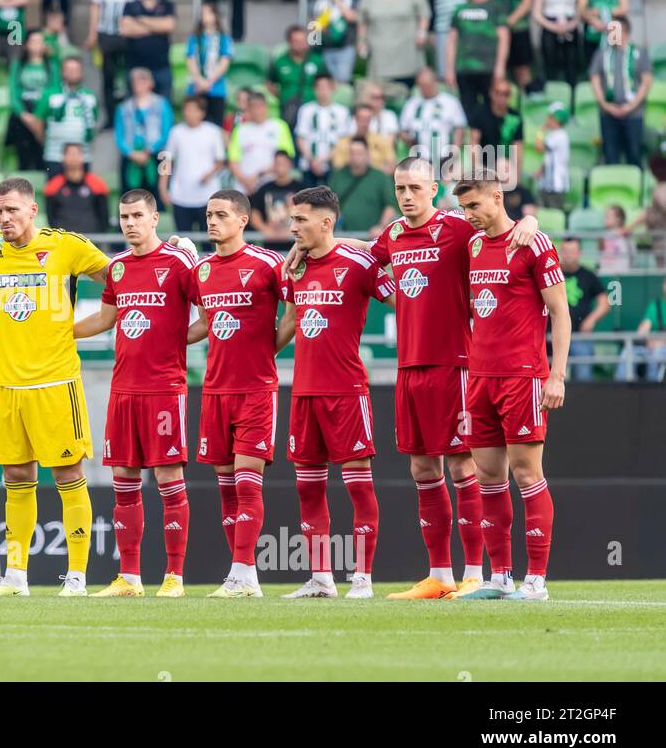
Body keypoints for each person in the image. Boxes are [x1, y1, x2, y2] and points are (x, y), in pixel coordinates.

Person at [327, 157, 536, 598]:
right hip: (410, 367)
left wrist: (531, 220)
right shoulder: (394, 234)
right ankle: (440, 575)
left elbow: (500, 222)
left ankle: (476, 573)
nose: (406, 196)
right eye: (400, 188)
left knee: (465, 464)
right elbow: (364, 250)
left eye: (415, 188)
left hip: (456, 364)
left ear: (433, 189)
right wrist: (318, 242)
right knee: (422, 467)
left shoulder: (460, 228)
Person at [0, 177, 111, 597]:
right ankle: (15, 577)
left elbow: (119, 281)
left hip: (55, 381)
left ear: (33, 210)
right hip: (8, 383)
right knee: (15, 475)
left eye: (12, 210)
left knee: (67, 473)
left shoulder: (65, 246)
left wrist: (80, 329)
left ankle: (78, 577)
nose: (4, 218)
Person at [74, 190, 200, 597]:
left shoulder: (179, 262)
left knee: (168, 478)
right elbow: (106, 318)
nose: (129, 223)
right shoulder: (118, 269)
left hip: (164, 388)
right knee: (124, 481)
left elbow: (213, 315)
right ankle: (129, 577)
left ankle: (175, 577)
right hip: (123, 389)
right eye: (124, 216)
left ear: (155, 218)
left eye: (137, 215)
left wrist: (174, 343)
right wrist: (59, 331)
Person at [454, 171, 570, 601]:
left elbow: (560, 312)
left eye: (475, 207)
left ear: (497, 198)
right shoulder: (473, 244)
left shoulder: (533, 244)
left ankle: (535, 579)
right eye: (464, 208)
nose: (469, 216)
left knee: (526, 473)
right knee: (488, 476)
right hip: (480, 376)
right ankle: (499, 577)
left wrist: (556, 374)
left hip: (522, 376)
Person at [280, 186, 398, 599]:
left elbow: (404, 298)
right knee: (308, 486)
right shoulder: (294, 269)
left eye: (300, 220)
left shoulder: (357, 263)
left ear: (326, 222)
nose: (292, 227)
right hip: (304, 392)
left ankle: (362, 578)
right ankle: (321, 578)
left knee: (358, 486)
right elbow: (289, 324)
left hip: (346, 391)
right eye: (292, 219)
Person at [187, 190, 287, 596]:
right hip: (215, 390)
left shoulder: (267, 264)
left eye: (221, 215)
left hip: (256, 389)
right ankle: (242, 576)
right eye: (209, 214)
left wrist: (267, 348)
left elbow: (296, 308)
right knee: (226, 487)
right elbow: (205, 325)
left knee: (248, 484)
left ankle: (244, 571)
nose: (213, 221)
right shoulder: (203, 271)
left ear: (243, 220)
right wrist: (162, 341)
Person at [445, 0, 508, 131]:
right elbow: (452, 40)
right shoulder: (460, 10)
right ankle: (472, 149)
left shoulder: (495, 7)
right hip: (464, 68)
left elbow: (504, 37)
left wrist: (500, 66)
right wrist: (450, 68)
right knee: (467, 111)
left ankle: (491, 150)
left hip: (488, 67)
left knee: (491, 110)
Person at [87, 0, 140, 124]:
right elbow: (95, 5)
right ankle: (110, 118)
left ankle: (131, 116)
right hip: (106, 33)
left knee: (129, 76)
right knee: (108, 77)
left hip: (127, 34)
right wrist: (92, 32)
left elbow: (139, 4)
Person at [357, 0, 431, 88]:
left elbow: (424, 13)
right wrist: (361, 41)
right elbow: (362, 20)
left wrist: (422, 33)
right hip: (380, 54)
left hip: (407, 51)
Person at [589, 18, 652, 168]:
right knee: (610, 155)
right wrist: (605, 104)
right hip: (608, 112)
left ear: (626, 32)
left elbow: (646, 82)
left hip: (633, 113)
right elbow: (595, 79)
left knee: (634, 153)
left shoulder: (639, 53)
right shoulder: (602, 54)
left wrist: (631, 106)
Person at [160, 96, 227, 231]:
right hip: (180, 195)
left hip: (207, 196)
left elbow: (220, 160)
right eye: (186, 110)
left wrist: (209, 174)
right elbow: (166, 159)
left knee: (210, 239)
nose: (188, 113)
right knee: (182, 241)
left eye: (192, 110)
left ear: (201, 113)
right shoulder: (176, 132)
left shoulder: (212, 131)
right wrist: (162, 187)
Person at [34, 55, 98, 177]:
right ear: (62, 72)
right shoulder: (50, 94)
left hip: (83, 156)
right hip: (54, 154)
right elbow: (38, 122)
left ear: (81, 72)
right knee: (54, 192)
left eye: (76, 70)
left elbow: (93, 121)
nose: (72, 73)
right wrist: (45, 141)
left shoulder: (90, 96)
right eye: (69, 70)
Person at [558, 237, 609, 382]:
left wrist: (591, 320)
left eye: (573, 251)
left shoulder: (588, 275)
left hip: (579, 335)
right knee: (548, 378)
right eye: (566, 251)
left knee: (583, 378)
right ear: (561, 252)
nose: (569, 255)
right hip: (553, 336)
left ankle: (584, 404)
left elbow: (605, 303)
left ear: (579, 253)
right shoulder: (551, 272)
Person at [114, 68, 172, 196]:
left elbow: (166, 132)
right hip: (131, 156)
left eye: (143, 79)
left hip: (156, 155)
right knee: (130, 195)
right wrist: (130, 153)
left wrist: (149, 150)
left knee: (155, 195)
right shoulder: (123, 108)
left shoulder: (161, 104)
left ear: (150, 82)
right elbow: (119, 135)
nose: (139, 83)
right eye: (135, 80)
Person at [120, 0, 177, 99]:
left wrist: (141, 20)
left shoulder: (168, 5)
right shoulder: (130, 5)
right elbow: (125, 29)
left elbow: (169, 25)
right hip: (135, 68)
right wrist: (157, 26)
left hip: (161, 67)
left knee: (163, 109)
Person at [327, 136, 396, 236]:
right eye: (353, 153)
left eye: (359, 153)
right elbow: (327, 205)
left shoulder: (380, 177)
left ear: (367, 154)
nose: (356, 157)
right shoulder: (337, 176)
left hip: (371, 238)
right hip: (342, 237)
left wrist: (381, 226)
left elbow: (390, 206)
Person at [7, 30, 56, 171]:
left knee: (42, 156)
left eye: (40, 42)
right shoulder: (18, 65)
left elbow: (53, 91)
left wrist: (38, 117)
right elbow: (13, 92)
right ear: (26, 45)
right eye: (33, 41)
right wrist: (24, 115)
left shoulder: (51, 66)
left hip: (43, 113)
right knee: (24, 154)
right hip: (22, 115)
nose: (37, 45)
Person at [399, 66, 467, 167]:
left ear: (435, 82)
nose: (425, 89)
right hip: (419, 158)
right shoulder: (411, 104)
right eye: (421, 86)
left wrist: (454, 153)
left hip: (445, 157)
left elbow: (459, 129)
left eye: (427, 85)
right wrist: (408, 138)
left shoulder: (450, 102)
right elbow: (402, 130)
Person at [228, 90, 294, 193]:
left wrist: (259, 176)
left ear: (266, 106)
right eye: (253, 107)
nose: (257, 110)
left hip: (271, 185)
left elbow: (285, 158)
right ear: (249, 108)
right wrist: (246, 181)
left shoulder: (279, 126)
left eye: (260, 106)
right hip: (244, 187)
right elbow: (233, 160)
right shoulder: (240, 130)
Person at [533, 0, 582, 89]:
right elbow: (537, 13)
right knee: (550, 65)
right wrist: (552, 26)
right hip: (549, 24)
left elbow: (581, 8)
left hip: (570, 24)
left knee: (571, 65)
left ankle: (572, 96)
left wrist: (571, 24)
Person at [269, 25, 328, 135]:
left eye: (303, 40)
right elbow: (270, 82)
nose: (302, 44)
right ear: (289, 43)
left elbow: (328, 81)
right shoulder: (280, 62)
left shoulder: (317, 60)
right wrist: (282, 95)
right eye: (297, 41)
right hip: (289, 107)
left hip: (312, 107)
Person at [294, 73, 351, 187]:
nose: (322, 92)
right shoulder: (306, 110)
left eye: (325, 88)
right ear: (314, 89)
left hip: (333, 165)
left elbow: (344, 141)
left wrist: (323, 160)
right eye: (319, 88)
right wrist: (312, 159)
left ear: (332, 89)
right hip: (309, 164)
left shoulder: (342, 112)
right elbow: (300, 137)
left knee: (332, 201)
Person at [185, 2, 233, 126]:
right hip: (196, 88)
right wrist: (199, 80)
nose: (204, 16)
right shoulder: (194, 38)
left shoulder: (223, 38)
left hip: (216, 88)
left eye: (208, 12)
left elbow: (224, 61)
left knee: (216, 125)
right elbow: (190, 59)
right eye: (202, 13)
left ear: (215, 16)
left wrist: (209, 81)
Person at [44, 143, 109, 232]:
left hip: (91, 240)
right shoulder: (53, 186)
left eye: (76, 154)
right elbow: (51, 217)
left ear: (82, 157)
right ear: (63, 158)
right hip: (64, 241)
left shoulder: (97, 184)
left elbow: (104, 216)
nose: (73, 158)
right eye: (70, 154)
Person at [617, 277, 666, 382]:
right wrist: (648, 341)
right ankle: (621, 390)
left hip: (661, 348)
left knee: (657, 353)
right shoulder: (655, 305)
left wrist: (661, 343)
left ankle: (653, 389)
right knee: (628, 352)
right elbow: (642, 331)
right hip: (651, 345)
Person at [313, 0, 358, 84]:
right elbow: (317, 26)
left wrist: (338, 1)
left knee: (343, 80)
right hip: (327, 47)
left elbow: (352, 18)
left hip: (345, 47)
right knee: (328, 81)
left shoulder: (351, 0)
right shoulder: (322, 2)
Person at [249, 150, 299, 247]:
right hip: (270, 245)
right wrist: (265, 229)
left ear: (290, 164)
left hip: (295, 246)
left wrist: (291, 230)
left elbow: (309, 214)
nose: (280, 166)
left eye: (283, 163)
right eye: (277, 163)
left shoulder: (301, 188)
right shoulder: (264, 189)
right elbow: (254, 213)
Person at [474, 78, 524, 169]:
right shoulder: (480, 113)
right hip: (484, 167)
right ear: (491, 93)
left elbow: (518, 148)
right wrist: (478, 170)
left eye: (506, 94)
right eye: (498, 92)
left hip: (506, 167)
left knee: (503, 165)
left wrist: (516, 175)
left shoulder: (515, 117)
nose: (502, 97)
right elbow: (474, 143)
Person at [331, 104, 395, 175]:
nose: (365, 123)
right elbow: (337, 166)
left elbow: (391, 166)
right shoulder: (343, 142)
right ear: (355, 119)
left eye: (368, 119)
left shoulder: (382, 141)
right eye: (362, 119)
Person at [534, 102, 570, 209]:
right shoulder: (554, 135)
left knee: (554, 215)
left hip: (556, 185)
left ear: (556, 118)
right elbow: (549, 158)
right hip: (548, 184)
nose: (547, 119)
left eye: (549, 117)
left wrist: (541, 131)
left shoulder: (560, 135)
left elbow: (538, 147)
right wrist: (541, 169)